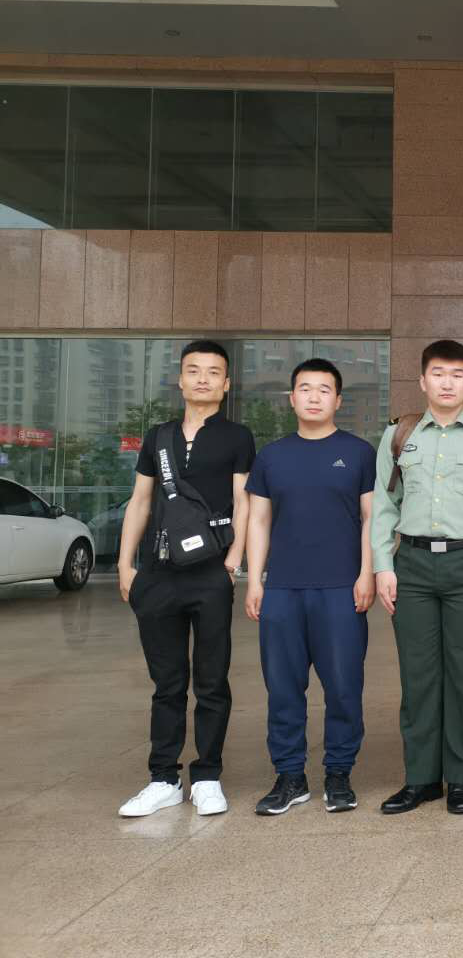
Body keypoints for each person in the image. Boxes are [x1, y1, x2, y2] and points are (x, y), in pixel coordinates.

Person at [371, 340, 463, 816]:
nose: (447, 382)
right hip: (412, 565)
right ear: (422, 380)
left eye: (457, 374)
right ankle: (420, 779)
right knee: (418, 677)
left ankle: (460, 778)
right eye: (438, 373)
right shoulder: (399, 434)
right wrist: (383, 565)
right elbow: (383, 505)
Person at [116, 340, 255, 818]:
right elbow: (140, 501)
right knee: (167, 682)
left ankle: (208, 775)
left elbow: (243, 502)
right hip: (157, 574)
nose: (202, 379)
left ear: (226, 384)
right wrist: (125, 564)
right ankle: (163, 778)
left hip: (211, 574)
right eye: (193, 370)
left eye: (213, 372)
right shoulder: (158, 436)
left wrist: (233, 562)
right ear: (180, 379)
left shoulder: (237, 436)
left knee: (212, 680)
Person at [244, 358, 376, 815]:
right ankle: (290, 776)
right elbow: (258, 520)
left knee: (343, 688)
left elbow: (372, 519)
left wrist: (366, 573)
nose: (314, 396)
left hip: (341, 588)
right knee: (283, 689)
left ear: (338, 400)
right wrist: (254, 580)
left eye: (324, 389)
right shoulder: (271, 456)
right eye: (305, 388)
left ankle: (338, 774)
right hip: (282, 589)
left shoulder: (359, 453)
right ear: (292, 398)